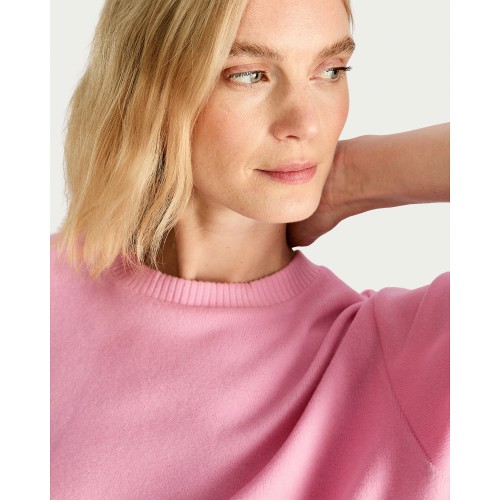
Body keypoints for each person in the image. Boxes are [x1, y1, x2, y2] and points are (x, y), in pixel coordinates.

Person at [51, 0, 449, 498]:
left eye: (330, 70)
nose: (306, 123)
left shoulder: (402, 359)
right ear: (145, 87)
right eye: (249, 75)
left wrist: (356, 177)